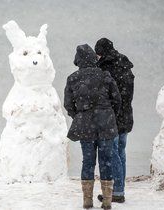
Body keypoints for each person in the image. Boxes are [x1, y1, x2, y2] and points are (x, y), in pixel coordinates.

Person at [64, 44, 121, 210]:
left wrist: (79, 115)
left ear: (78, 60)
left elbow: (68, 104)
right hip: (106, 124)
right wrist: (109, 114)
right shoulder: (105, 76)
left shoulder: (73, 78)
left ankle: (87, 201)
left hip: (85, 125)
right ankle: (107, 201)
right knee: (106, 161)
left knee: (88, 161)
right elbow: (117, 100)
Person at [95, 38, 134, 203]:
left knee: (112, 155)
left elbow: (107, 95)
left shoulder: (105, 68)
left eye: (97, 54)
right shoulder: (124, 64)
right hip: (126, 115)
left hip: (113, 117)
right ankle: (120, 189)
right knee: (121, 153)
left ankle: (117, 192)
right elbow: (127, 93)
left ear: (101, 53)